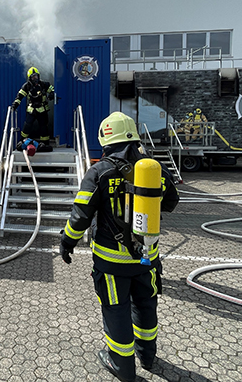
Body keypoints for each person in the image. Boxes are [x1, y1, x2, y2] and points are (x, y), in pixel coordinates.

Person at [59, 112, 179, 382]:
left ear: (105, 140)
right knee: (146, 307)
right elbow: (171, 201)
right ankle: (147, 356)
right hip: (147, 258)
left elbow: (80, 216)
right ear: (134, 136)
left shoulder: (99, 171)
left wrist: (67, 242)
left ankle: (122, 367)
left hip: (112, 264)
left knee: (116, 310)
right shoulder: (152, 168)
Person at [11, 66, 55, 146]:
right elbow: (19, 97)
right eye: (33, 77)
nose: (35, 78)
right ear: (30, 78)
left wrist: (51, 94)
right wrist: (15, 105)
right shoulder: (26, 86)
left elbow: (52, 89)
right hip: (31, 110)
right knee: (27, 126)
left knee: (43, 127)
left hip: (42, 109)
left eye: (36, 76)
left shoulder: (44, 84)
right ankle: (22, 141)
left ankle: (45, 143)